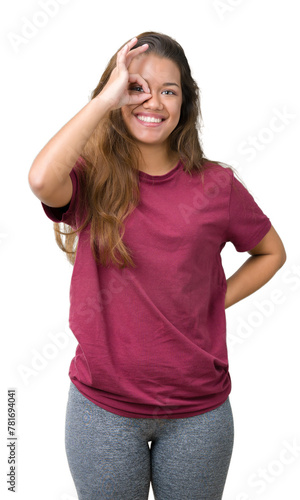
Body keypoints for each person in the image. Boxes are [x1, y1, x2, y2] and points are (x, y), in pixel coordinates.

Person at [28, 32, 286, 500]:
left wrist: (214, 299)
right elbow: (42, 179)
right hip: (103, 408)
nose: (154, 102)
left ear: (186, 103)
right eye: (137, 87)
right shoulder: (90, 176)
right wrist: (106, 98)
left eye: (169, 90)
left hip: (198, 412)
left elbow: (272, 253)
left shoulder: (217, 186)